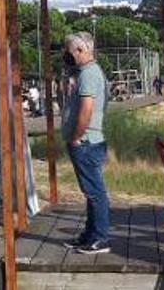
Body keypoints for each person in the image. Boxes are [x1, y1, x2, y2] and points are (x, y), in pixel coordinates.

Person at [60, 32, 111, 255]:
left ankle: (98, 238)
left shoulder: (89, 74)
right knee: (91, 192)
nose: (66, 56)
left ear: (80, 51)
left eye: (69, 52)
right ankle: (89, 236)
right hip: (88, 141)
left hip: (86, 142)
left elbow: (86, 109)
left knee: (95, 192)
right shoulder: (86, 74)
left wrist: (76, 136)